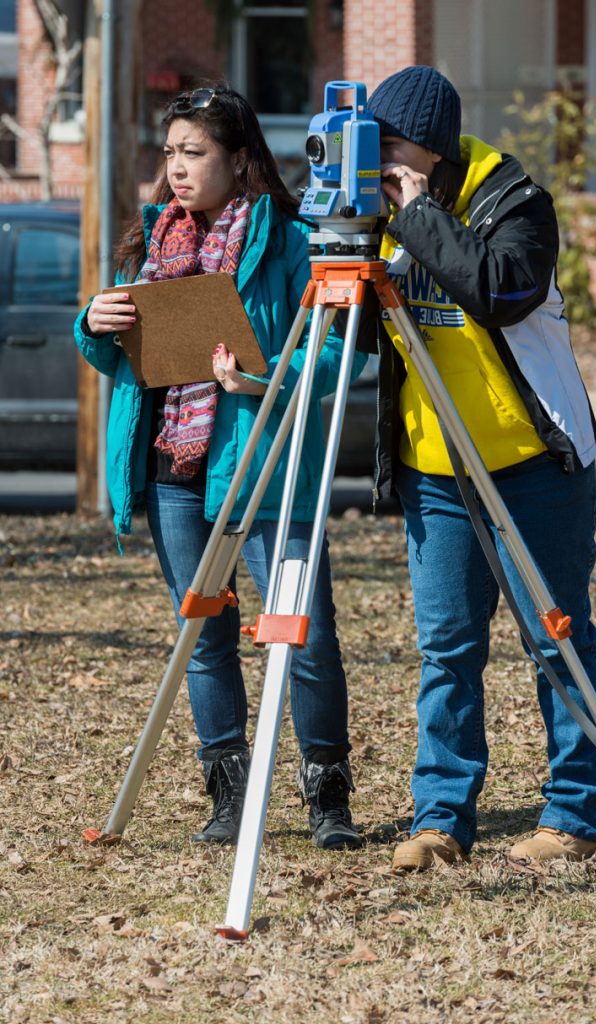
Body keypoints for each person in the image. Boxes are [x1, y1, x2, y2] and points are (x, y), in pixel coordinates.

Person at [74, 82, 366, 851]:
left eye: (193, 153)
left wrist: (264, 374)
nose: (175, 168)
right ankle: (229, 794)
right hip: (175, 468)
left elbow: (340, 347)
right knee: (204, 638)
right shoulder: (153, 237)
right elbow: (130, 358)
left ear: (240, 161)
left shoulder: (292, 237)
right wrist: (94, 323)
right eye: (169, 152)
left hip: (267, 464)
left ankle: (326, 794)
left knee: (300, 636)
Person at [364, 66, 596, 869]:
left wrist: (417, 217)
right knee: (447, 649)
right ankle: (439, 818)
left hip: (531, 462)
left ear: (431, 153)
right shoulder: (379, 208)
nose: (376, 163)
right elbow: (359, 334)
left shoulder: (516, 203)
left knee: (557, 639)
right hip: (435, 472)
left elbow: (499, 290)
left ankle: (573, 815)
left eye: (389, 148)